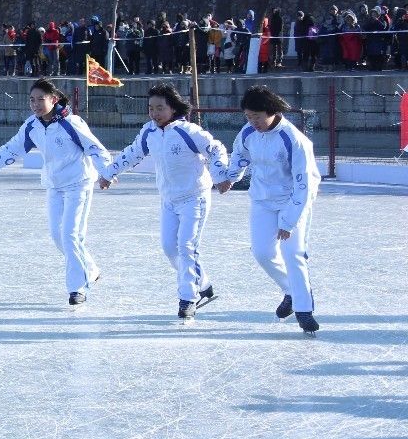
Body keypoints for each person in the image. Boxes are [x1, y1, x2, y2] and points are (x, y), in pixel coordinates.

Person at [100, 84, 229, 321]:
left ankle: (188, 298)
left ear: (173, 108)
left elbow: (216, 149)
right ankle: (204, 283)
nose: (154, 113)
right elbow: (132, 154)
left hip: (194, 198)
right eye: (151, 108)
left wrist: (220, 176)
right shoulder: (149, 132)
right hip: (168, 200)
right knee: (170, 248)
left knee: (186, 246)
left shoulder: (188, 131)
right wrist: (109, 173)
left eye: (160, 108)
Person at [0, 80, 113, 306]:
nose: (35, 104)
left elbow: (95, 148)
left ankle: (77, 288)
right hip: (54, 185)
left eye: (41, 99)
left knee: (71, 235)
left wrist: (107, 172)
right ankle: (90, 269)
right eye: (32, 100)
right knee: (57, 236)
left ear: (54, 99)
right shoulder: (32, 126)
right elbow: (12, 148)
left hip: (78, 184)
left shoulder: (72, 123)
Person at [216, 86, 322, 333]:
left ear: (272, 111)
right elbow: (240, 157)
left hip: (292, 200)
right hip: (262, 200)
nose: (253, 122)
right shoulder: (247, 133)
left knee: (293, 253)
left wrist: (289, 221)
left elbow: (305, 184)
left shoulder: (294, 139)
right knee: (262, 253)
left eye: (258, 117)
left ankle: (305, 311)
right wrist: (230, 178)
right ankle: (291, 291)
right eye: (248, 117)